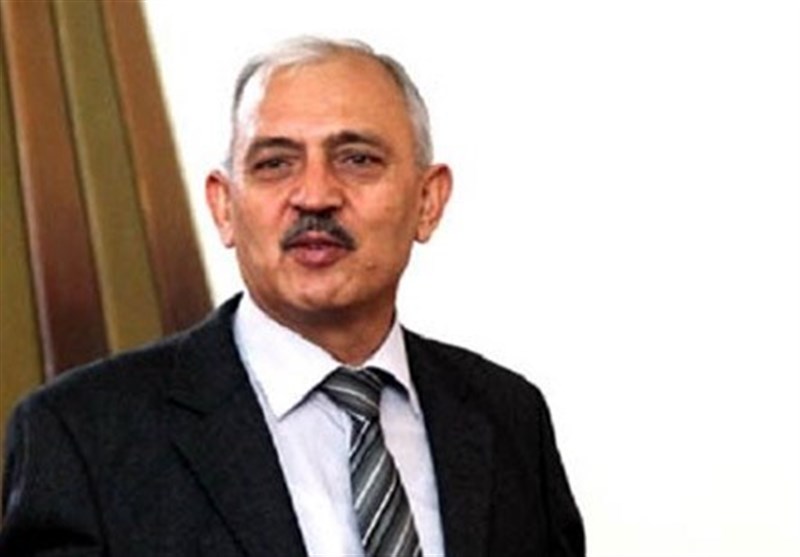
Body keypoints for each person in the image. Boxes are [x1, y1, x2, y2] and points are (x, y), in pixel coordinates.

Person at [0, 37, 584, 556]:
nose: (315, 195)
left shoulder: (509, 418)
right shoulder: (81, 436)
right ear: (224, 207)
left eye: (357, 159)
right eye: (275, 163)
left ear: (427, 201)